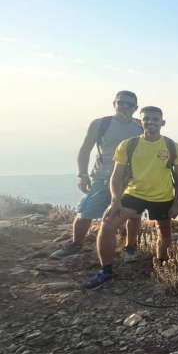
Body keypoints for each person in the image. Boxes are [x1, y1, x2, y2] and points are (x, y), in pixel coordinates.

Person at [86, 106, 178, 289]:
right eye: (146, 119)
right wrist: (115, 199)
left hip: (162, 196)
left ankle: (162, 263)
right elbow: (116, 176)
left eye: (155, 119)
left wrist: (176, 204)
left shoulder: (173, 147)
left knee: (164, 233)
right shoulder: (128, 145)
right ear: (140, 122)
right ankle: (105, 271)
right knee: (108, 224)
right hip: (134, 194)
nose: (150, 122)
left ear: (162, 122)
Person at [51, 91, 143, 259]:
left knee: (134, 214)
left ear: (136, 108)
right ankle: (76, 244)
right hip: (103, 176)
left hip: (131, 179)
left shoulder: (139, 127)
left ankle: (131, 246)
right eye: (121, 102)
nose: (124, 106)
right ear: (114, 103)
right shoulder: (101, 124)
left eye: (129, 104)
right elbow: (86, 149)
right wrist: (82, 174)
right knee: (87, 210)